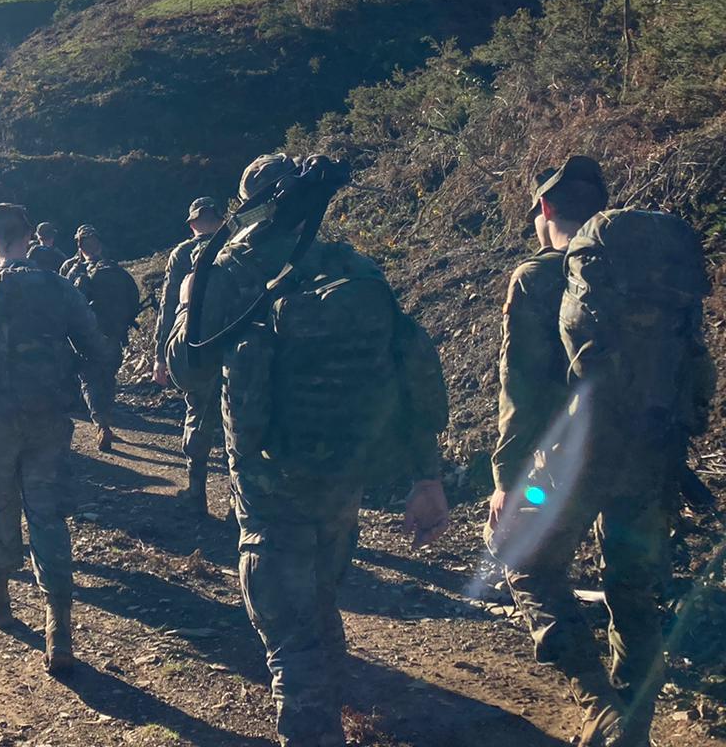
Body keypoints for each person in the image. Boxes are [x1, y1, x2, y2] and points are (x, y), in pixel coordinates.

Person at [169, 154, 450, 747]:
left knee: (287, 634)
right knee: (320, 595)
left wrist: (191, 295)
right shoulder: (350, 265)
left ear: (250, 202)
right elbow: (408, 364)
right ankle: (339, 704)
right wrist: (427, 476)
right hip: (348, 466)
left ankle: (315, 727)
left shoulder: (226, 268)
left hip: (268, 474)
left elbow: (187, 370)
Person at [488, 156, 713, 747]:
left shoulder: (535, 278)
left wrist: (508, 479)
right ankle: (631, 724)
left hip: (564, 466)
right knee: (634, 587)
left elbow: (523, 390)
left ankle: (596, 703)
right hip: (652, 455)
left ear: (546, 209)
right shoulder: (656, 278)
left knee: (523, 560)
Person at [0, 202, 108, 675]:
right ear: (29, 239)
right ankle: (59, 628)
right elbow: (97, 348)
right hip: (48, 419)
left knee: (1, 505)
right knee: (49, 516)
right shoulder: (62, 288)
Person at [153, 196, 227, 514]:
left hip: (196, 348)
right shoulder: (238, 247)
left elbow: (170, 306)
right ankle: (239, 503)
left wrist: (160, 355)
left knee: (198, 415)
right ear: (221, 219)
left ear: (192, 223)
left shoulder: (183, 253)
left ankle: (196, 492)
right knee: (235, 421)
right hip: (237, 349)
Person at [69, 225, 140, 451]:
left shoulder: (76, 273)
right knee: (108, 378)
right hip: (115, 336)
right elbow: (133, 301)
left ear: (79, 247)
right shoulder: (117, 271)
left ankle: (101, 423)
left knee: (89, 381)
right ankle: (107, 418)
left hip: (86, 339)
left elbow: (68, 304)